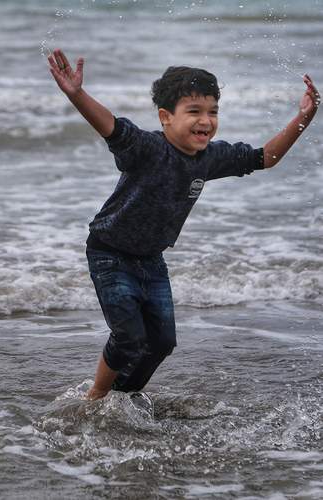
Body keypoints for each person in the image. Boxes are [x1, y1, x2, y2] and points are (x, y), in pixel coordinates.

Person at [47, 48, 320, 400]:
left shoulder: (210, 157)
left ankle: (124, 395)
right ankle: (96, 397)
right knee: (129, 336)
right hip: (110, 253)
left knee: (162, 342)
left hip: (151, 259)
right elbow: (111, 127)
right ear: (165, 117)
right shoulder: (146, 147)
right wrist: (77, 94)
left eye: (213, 111)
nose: (206, 120)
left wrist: (303, 118)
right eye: (194, 111)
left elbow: (265, 158)